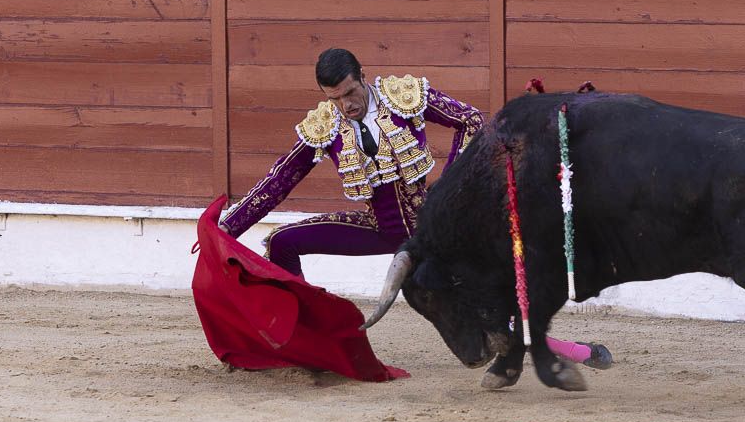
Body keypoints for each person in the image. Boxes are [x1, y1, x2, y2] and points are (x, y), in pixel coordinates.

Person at [220, 48, 614, 369]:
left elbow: (471, 120)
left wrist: (448, 188)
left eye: (350, 93)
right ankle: (308, 344)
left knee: (489, 306)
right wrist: (224, 230)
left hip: (434, 229)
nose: (346, 105)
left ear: (363, 76)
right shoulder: (325, 126)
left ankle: (573, 350)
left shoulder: (402, 97)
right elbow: (278, 181)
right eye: (335, 98)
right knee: (282, 242)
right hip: (378, 226)